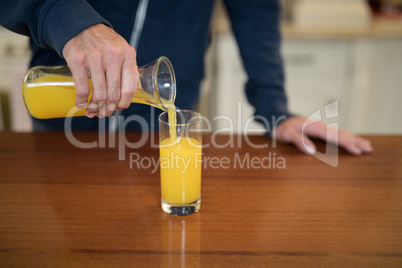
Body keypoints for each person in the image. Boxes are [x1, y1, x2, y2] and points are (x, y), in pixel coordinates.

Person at [0, 0, 372, 155]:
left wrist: (275, 107)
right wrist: (64, 17)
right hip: (70, 106)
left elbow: (255, 8)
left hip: (164, 113)